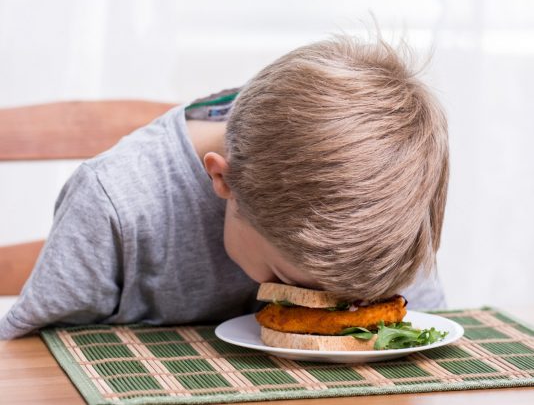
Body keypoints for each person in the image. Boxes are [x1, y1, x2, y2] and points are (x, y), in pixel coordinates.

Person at [0, 33, 449, 339]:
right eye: (284, 279)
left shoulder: (392, 191)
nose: (326, 305)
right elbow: (36, 359)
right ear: (223, 178)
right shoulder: (116, 201)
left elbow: (424, 324)